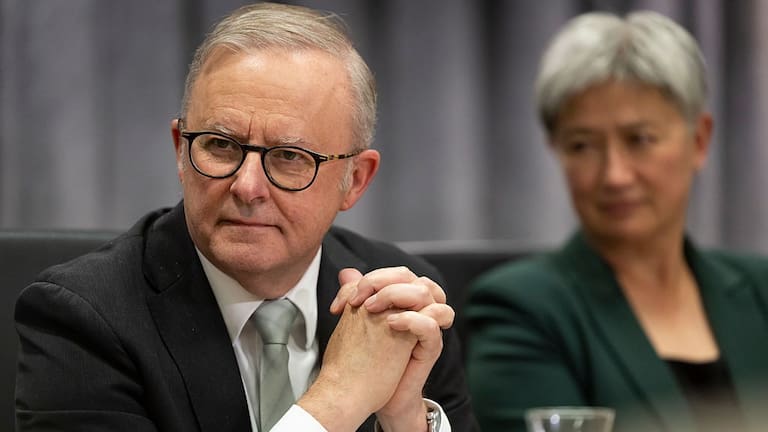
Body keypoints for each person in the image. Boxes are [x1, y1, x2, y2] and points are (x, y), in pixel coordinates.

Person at [14, 3, 478, 431]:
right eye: (221, 146)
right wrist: (339, 398)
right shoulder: (84, 317)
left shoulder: (400, 304)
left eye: (290, 156)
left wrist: (405, 421)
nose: (247, 186)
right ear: (180, 150)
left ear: (355, 180)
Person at [466, 10, 768, 432]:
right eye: (583, 145)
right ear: (557, 152)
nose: (615, 175)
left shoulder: (760, 289)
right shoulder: (521, 309)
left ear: (699, 140)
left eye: (639, 140)